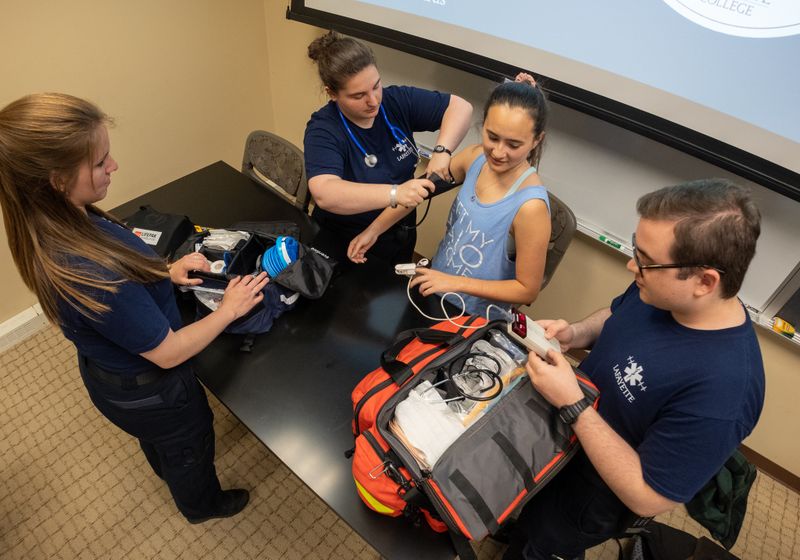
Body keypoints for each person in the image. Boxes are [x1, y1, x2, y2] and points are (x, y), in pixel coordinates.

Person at [0, 93, 269, 523]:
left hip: (115, 380)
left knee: (162, 443)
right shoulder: (91, 273)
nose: (114, 167)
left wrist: (165, 271)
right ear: (56, 180)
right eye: (100, 161)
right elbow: (169, 353)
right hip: (154, 391)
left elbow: (121, 268)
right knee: (190, 446)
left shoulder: (60, 222)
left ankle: (168, 462)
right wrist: (229, 309)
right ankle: (203, 506)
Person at [504, 179, 765, 559]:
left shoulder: (725, 393)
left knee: (543, 547)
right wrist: (574, 332)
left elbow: (648, 497)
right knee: (525, 517)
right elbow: (616, 314)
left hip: (590, 497)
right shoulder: (659, 290)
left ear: (705, 281)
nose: (631, 265)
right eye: (635, 248)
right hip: (556, 445)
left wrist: (574, 406)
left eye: (645, 260)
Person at [349, 73, 551, 318]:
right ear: (483, 124)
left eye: (513, 145)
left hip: (472, 319)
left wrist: (453, 283)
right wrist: (374, 230)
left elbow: (526, 290)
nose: (498, 152)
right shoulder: (475, 158)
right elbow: (419, 190)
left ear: (536, 140)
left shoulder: (531, 207)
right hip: (435, 293)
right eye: (492, 137)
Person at [303, 30, 473, 265]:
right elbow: (325, 193)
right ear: (332, 94)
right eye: (358, 95)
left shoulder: (396, 101)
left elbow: (461, 108)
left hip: (397, 231)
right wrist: (395, 193)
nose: (373, 100)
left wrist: (442, 151)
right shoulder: (324, 129)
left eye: (376, 86)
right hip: (342, 239)